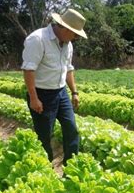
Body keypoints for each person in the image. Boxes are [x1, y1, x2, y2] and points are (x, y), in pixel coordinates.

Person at [21, 8, 87, 166]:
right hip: (42, 94)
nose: (76, 37)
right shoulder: (37, 39)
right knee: (44, 135)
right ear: (64, 28)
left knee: (71, 129)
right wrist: (34, 98)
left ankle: (72, 168)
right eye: (75, 33)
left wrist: (74, 92)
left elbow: (68, 69)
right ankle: (44, 167)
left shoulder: (68, 44)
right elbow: (29, 69)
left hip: (61, 92)